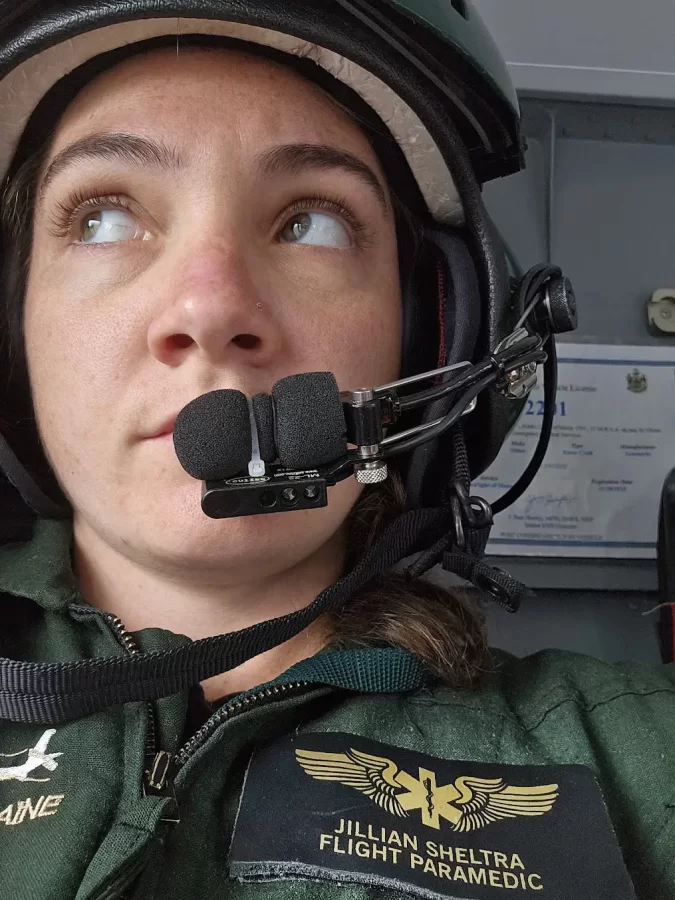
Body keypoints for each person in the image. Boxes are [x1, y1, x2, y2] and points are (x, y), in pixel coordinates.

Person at [0, 2, 671, 898]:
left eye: (310, 221)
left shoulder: (631, 754)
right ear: (15, 334)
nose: (210, 306)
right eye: (104, 218)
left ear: (434, 331)